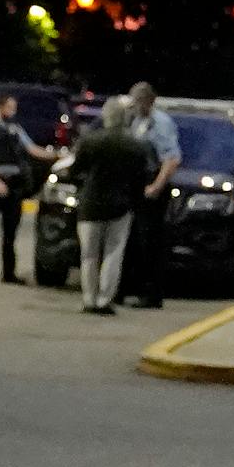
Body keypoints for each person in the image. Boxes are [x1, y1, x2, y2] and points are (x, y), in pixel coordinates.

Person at [70, 96, 150, 314]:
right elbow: (141, 178)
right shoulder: (136, 146)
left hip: (91, 204)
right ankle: (105, 299)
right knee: (114, 253)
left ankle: (89, 298)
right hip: (121, 206)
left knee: (89, 254)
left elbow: (74, 171)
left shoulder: (90, 141)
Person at [0, 93, 56, 284]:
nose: (13, 112)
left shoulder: (15, 129)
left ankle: (9, 273)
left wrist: (57, 156)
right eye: (10, 108)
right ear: (0, 107)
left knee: (11, 231)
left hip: (13, 184)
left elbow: (31, 149)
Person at [121, 80, 182, 309]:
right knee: (132, 240)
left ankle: (152, 293)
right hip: (135, 185)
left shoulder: (161, 123)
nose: (134, 106)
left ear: (148, 101)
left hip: (152, 184)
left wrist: (156, 186)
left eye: (137, 101)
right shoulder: (135, 120)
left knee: (151, 242)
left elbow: (171, 158)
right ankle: (128, 288)